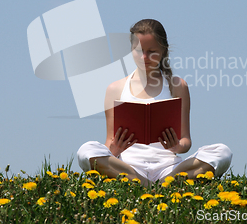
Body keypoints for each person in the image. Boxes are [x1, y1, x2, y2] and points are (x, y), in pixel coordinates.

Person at [77, 19, 232, 186]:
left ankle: (153, 183)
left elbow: (186, 141)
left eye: (151, 52)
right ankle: (156, 184)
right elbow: (109, 142)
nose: (144, 57)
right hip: (129, 166)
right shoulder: (115, 89)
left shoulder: (177, 86)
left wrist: (176, 146)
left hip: (169, 168)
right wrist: (115, 149)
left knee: (222, 152)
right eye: (138, 51)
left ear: (163, 51)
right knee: (86, 151)